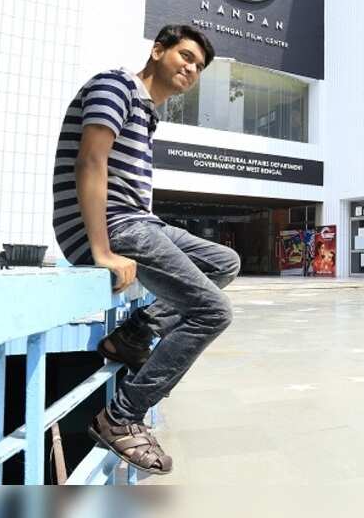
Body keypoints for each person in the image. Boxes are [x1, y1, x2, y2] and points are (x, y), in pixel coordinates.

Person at [52, 24, 240, 475]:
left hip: (139, 222)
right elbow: (91, 160)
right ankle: (121, 417)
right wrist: (101, 250)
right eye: (186, 56)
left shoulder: (148, 114)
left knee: (224, 262)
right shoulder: (115, 85)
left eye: (199, 67)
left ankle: (135, 333)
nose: (192, 69)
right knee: (213, 312)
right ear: (158, 50)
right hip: (112, 226)